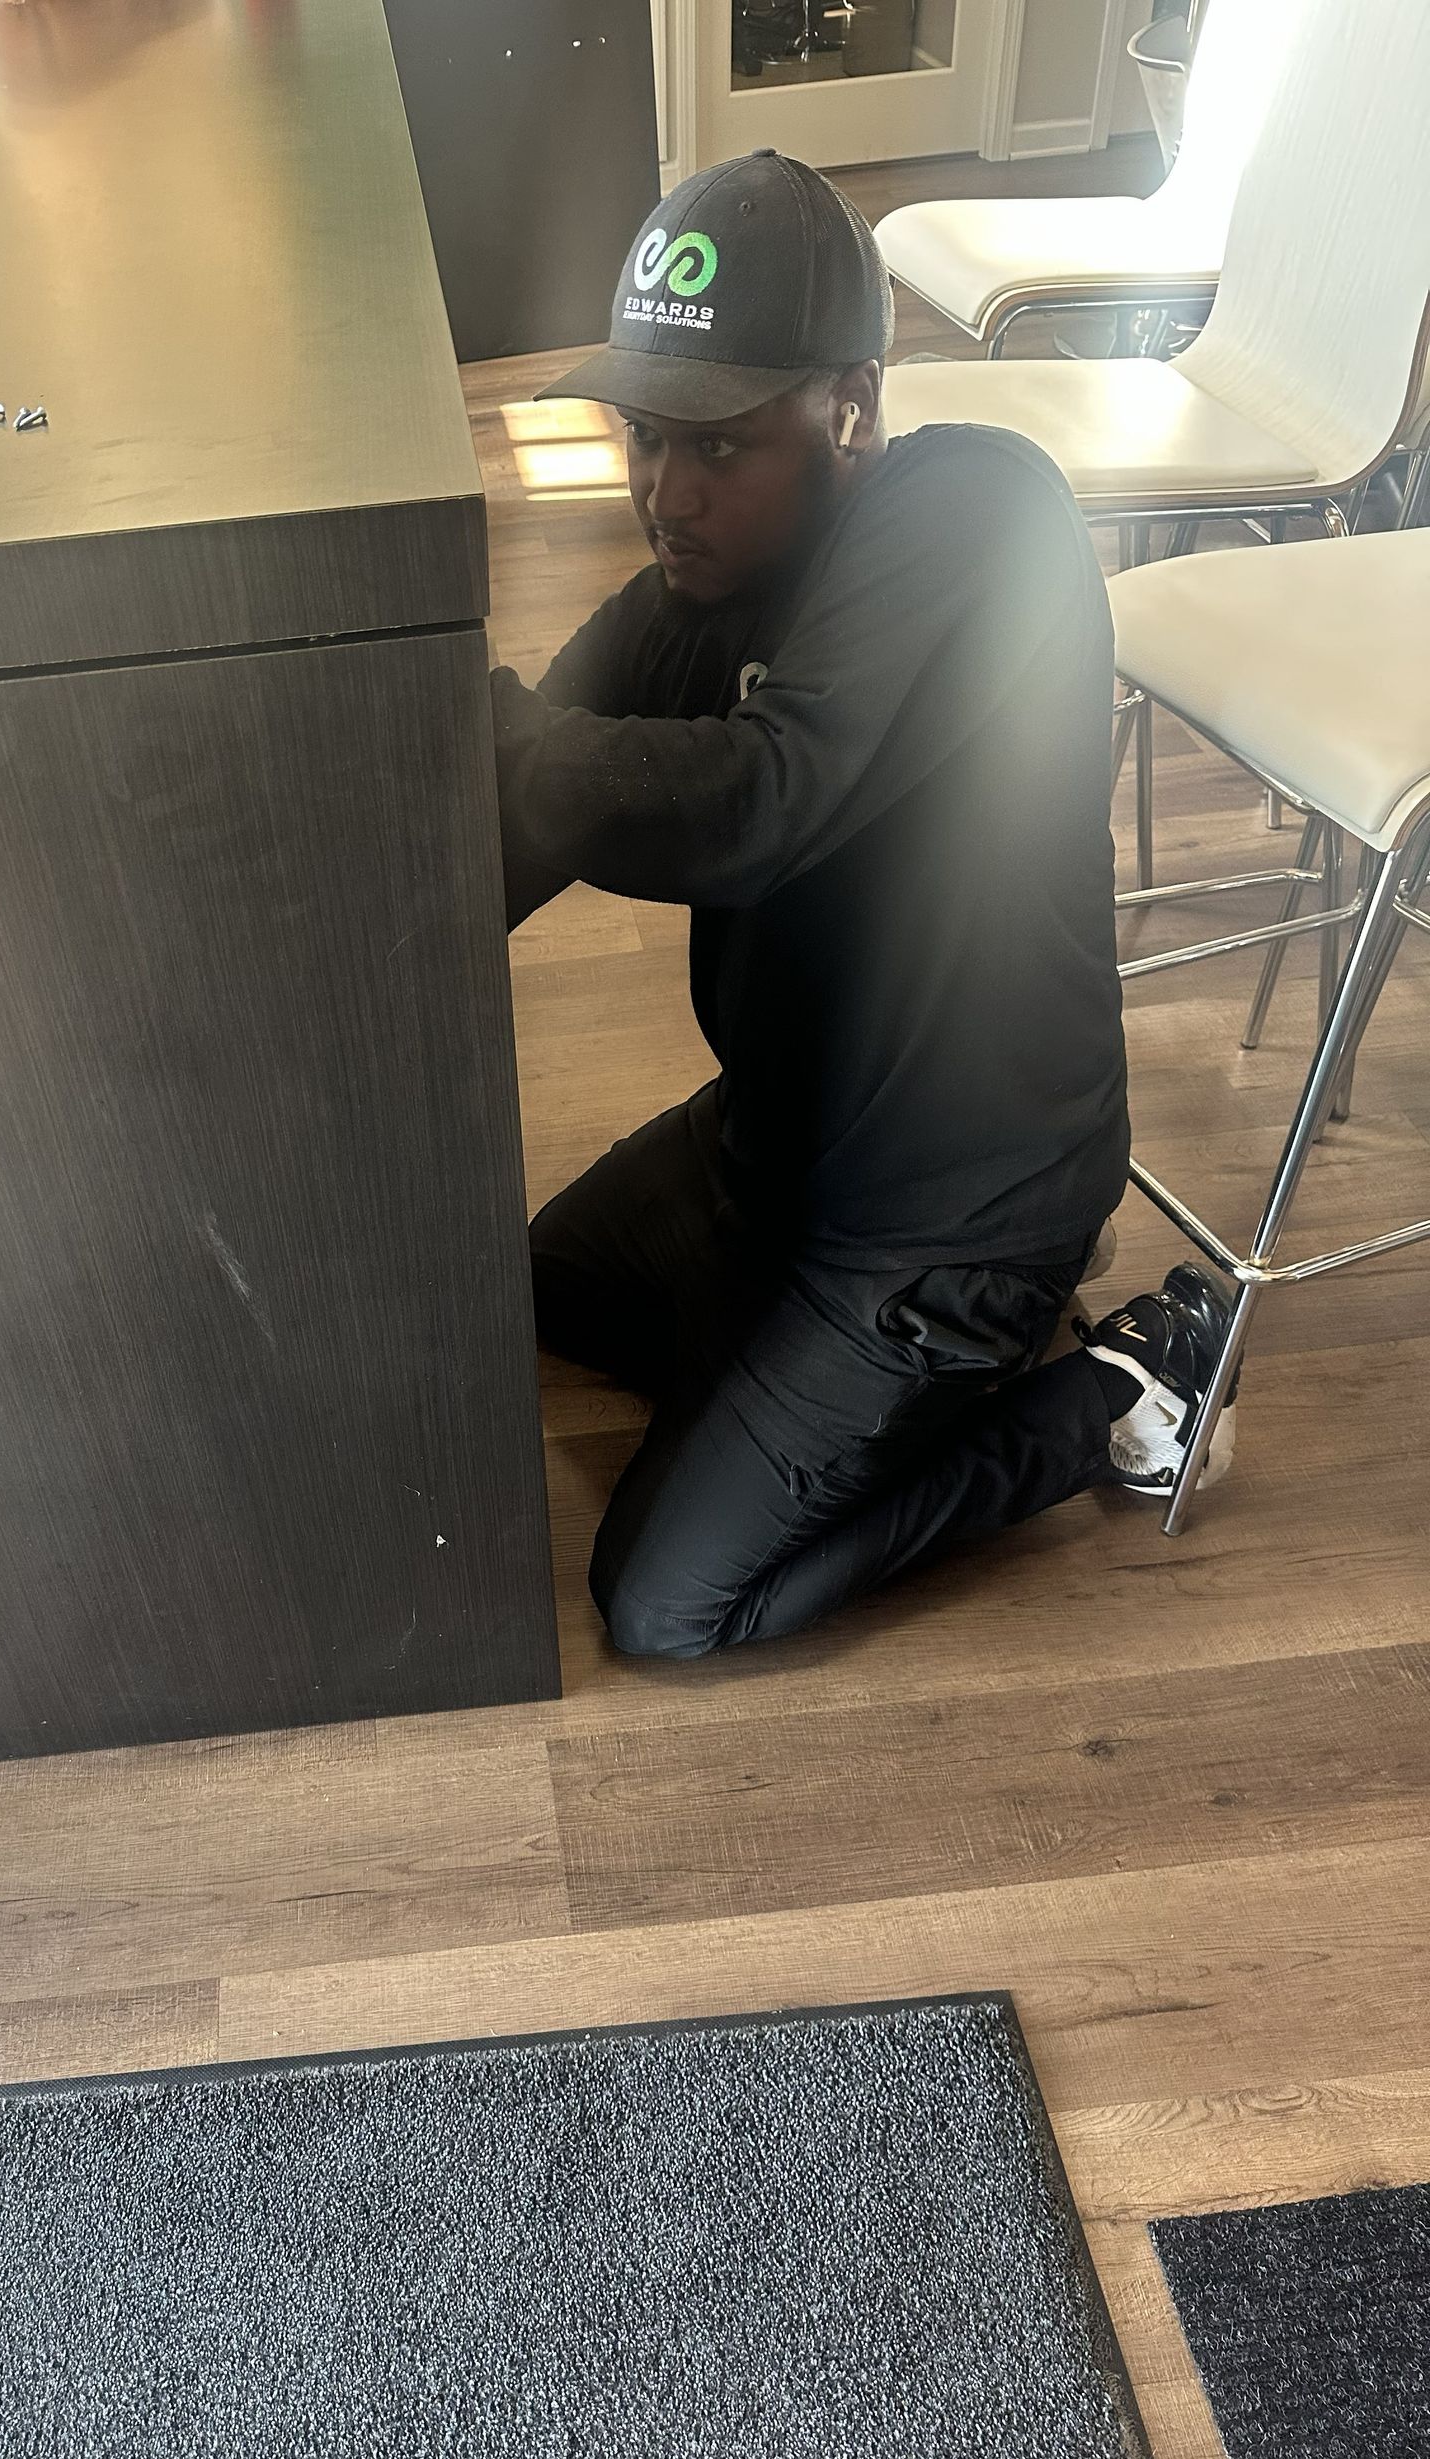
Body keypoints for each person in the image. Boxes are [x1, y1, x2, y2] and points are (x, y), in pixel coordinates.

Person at [491, 149, 1239, 1661]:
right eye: (643, 435)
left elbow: (762, 802)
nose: (663, 491)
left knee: (669, 1602)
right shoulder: (684, 599)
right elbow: (524, 798)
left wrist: (500, 742)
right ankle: (844, 1390)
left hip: (948, 1213)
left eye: (718, 444)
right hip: (769, 1157)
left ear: (850, 404)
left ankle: (1114, 1391)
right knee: (527, 1294)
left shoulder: (975, 513)